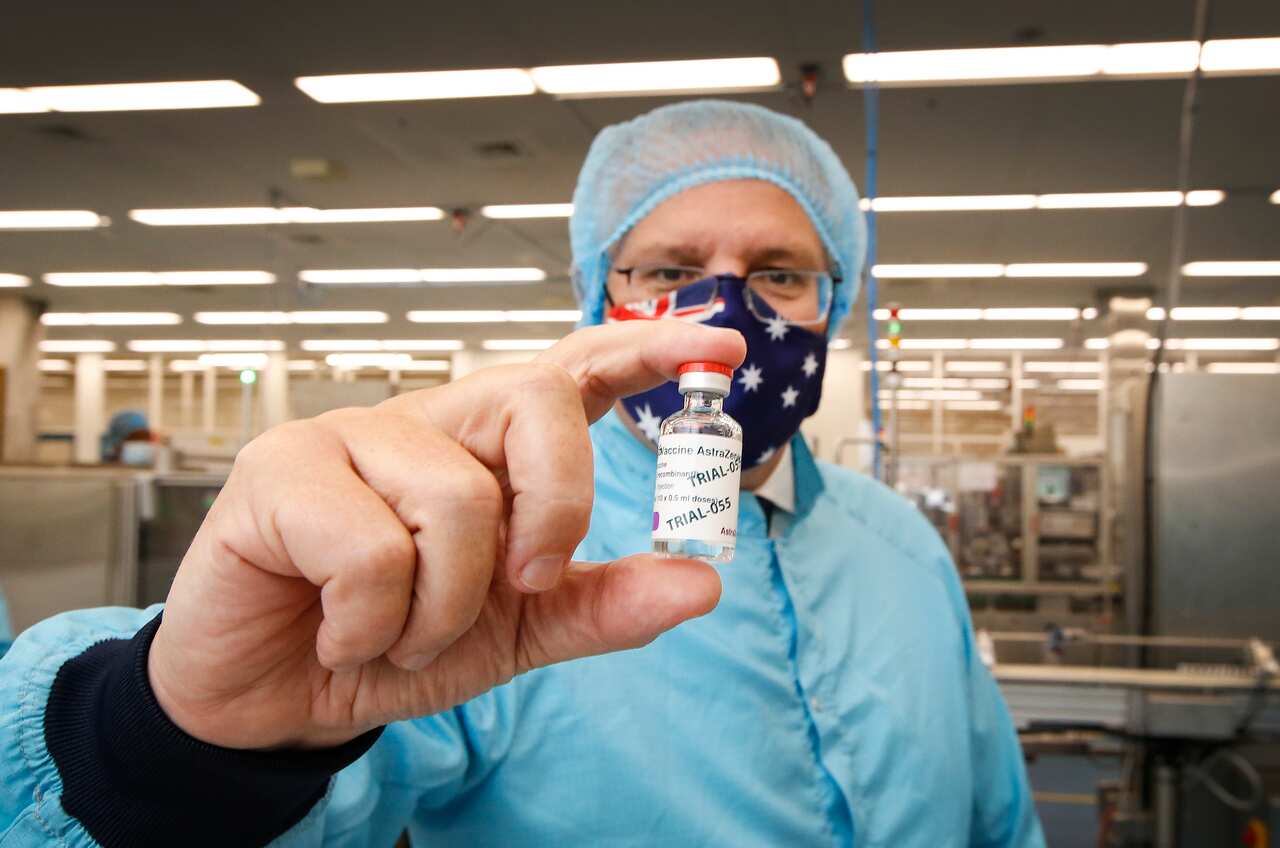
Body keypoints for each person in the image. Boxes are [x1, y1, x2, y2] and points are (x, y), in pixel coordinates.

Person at [0, 100, 1043, 846]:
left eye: (778, 272)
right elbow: (309, 805)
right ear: (599, 297)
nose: (726, 312)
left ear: (835, 303)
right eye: (670, 272)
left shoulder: (901, 547)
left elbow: (998, 817)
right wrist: (174, 736)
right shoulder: (494, 545)